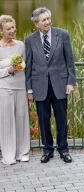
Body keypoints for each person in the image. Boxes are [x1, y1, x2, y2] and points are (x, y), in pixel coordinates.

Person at [25, 7, 76, 163]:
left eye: (48, 18)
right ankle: (47, 149)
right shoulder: (30, 40)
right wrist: (29, 89)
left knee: (61, 119)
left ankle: (63, 149)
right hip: (39, 86)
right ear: (36, 24)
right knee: (43, 120)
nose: (47, 22)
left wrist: (70, 82)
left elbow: (70, 61)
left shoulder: (62, 34)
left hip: (60, 85)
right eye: (44, 20)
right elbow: (28, 65)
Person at [0, 15, 30, 165]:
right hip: (5, 88)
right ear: (1, 31)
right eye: (8, 29)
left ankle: (23, 152)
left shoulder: (20, 45)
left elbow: (26, 65)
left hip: (21, 86)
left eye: (13, 27)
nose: (12, 31)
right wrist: (9, 70)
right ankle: (8, 155)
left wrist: (20, 67)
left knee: (22, 120)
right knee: (7, 122)